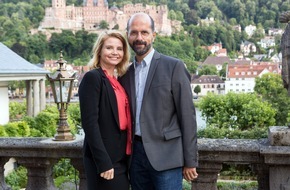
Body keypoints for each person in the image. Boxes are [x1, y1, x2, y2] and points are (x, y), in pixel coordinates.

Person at [119, 12, 199, 190]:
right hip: (135, 157)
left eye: (144, 32)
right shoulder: (125, 73)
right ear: (128, 35)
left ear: (153, 35)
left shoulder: (173, 66)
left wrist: (190, 160)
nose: (139, 37)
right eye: (134, 32)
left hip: (167, 156)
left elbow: (187, 116)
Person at [78, 30, 132, 190]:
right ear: (100, 51)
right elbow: (90, 124)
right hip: (105, 159)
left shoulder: (117, 80)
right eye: (109, 48)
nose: (115, 52)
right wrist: (103, 162)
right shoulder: (93, 78)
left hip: (121, 156)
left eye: (119, 48)